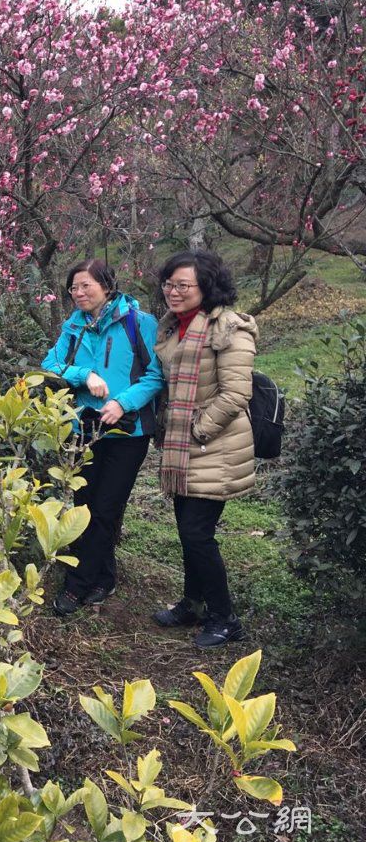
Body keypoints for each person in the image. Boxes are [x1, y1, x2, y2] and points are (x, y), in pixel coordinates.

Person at [42, 259, 165, 615]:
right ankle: (103, 578)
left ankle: (76, 586)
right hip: (84, 428)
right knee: (84, 506)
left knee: (106, 509)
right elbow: (50, 365)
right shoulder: (74, 326)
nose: (78, 294)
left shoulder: (138, 323)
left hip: (127, 433)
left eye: (86, 286)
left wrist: (122, 404)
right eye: (73, 288)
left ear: (106, 286)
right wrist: (84, 375)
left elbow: (155, 376)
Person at [150, 250, 256, 648]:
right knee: (189, 531)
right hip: (184, 450)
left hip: (215, 447)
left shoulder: (229, 328)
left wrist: (196, 431)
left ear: (206, 287)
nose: (173, 292)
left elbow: (235, 394)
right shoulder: (172, 327)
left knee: (197, 534)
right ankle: (193, 604)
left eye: (183, 285)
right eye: (168, 284)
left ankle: (224, 617)